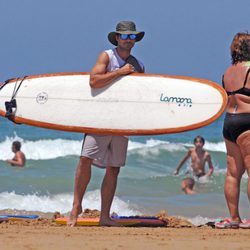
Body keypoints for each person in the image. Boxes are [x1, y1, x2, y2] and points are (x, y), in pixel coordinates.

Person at [68, 21, 145, 227]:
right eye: (125, 36)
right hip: (99, 118)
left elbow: (142, 97)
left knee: (114, 168)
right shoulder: (107, 56)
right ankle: (76, 207)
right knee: (85, 159)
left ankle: (104, 216)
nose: (129, 40)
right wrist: (120, 72)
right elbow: (94, 81)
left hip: (122, 122)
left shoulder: (138, 66)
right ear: (117, 38)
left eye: (132, 36)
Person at [215, 32, 250, 229]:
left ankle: (234, 218)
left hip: (230, 123)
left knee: (232, 173)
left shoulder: (227, 73)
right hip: (248, 122)